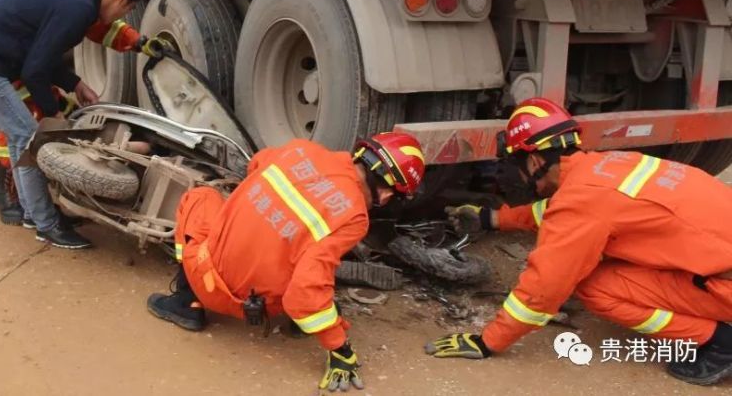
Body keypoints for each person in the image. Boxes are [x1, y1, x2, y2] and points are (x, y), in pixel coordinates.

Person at [427, 97, 732, 386]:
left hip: (726, 285)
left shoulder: (580, 202)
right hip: (720, 260)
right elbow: (561, 211)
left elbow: (542, 292)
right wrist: (492, 219)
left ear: (533, 163)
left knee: (594, 286)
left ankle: (719, 342)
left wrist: (488, 341)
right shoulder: (609, 166)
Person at [147, 131, 427, 392]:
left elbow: (256, 164)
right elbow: (304, 290)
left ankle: (188, 297)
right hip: (254, 304)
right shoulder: (354, 218)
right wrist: (339, 348)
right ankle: (198, 301)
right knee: (311, 270)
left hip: (210, 274)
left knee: (199, 198)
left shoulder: (301, 149)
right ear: (389, 194)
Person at [0, 0, 155, 248]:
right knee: (30, 137)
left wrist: (75, 84)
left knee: (23, 139)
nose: (124, 14)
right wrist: (54, 112)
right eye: (129, 9)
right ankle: (46, 224)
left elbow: (40, 55)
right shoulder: (80, 7)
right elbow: (35, 71)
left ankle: (35, 214)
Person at [0, 0, 146, 225]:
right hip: (10, 65)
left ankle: (38, 195)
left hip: (32, 62)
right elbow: (36, 68)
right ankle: (6, 192)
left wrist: (138, 42)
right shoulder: (75, 0)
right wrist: (54, 117)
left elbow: (103, 27)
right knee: (23, 125)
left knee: (60, 112)